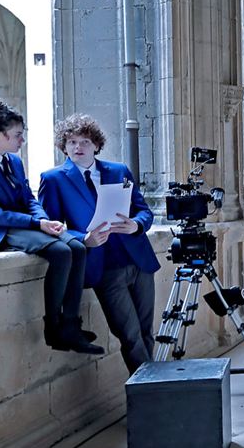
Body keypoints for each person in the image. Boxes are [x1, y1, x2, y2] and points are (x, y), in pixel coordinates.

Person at [0, 96, 103, 355]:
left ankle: (70, 325)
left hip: (21, 222)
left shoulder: (14, 161)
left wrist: (45, 220)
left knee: (77, 247)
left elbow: (28, 199)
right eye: (18, 135)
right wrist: (37, 222)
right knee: (60, 251)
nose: (22, 140)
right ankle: (53, 328)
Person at [38, 114, 160, 374]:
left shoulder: (119, 171)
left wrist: (135, 224)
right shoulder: (53, 179)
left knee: (147, 331)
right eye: (71, 142)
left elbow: (144, 211)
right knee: (129, 334)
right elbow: (52, 226)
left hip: (138, 259)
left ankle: (151, 393)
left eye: (84, 141)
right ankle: (155, 395)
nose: (78, 147)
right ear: (64, 146)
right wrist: (84, 238)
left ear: (96, 145)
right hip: (103, 268)